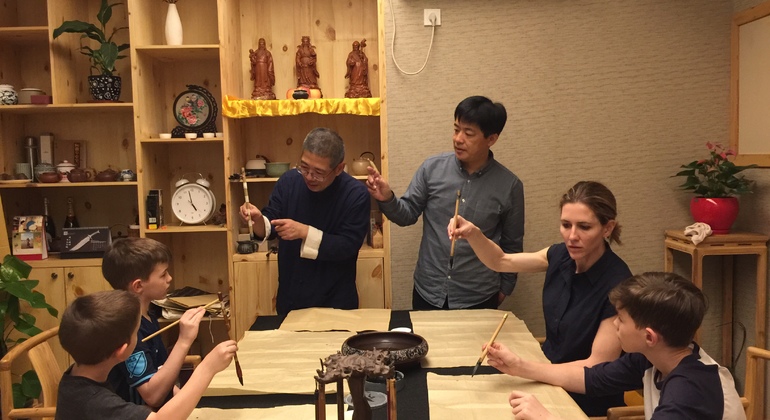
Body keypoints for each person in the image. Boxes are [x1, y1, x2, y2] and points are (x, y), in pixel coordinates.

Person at [450, 180, 630, 415]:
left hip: (584, 400)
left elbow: (596, 367)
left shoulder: (619, 285)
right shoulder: (560, 255)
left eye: (584, 227)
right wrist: (473, 233)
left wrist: (522, 367)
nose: (572, 236)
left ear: (607, 228)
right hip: (545, 379)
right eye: (566, 225)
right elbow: (501, 261)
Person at [492, 272, 745, 420]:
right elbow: (592, 378)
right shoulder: (655, 357)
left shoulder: (689, 392)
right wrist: (519, 366)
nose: (615, 325)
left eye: (621, 319)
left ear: (649, 336)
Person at [366, 95, 523, 310]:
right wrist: (387, 197)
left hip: (479, 294)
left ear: (491, 139)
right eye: (456, 129)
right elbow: (407, 214)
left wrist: (506, 287)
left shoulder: (510, 185)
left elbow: (512, 244)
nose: (458, 138)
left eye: (468, 133)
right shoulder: (432, 169)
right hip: (428, 290)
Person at [240, 127, 370, 315]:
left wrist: (304, 232)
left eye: (318, 172)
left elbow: (348, 246)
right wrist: (257, 219)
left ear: (339, 168)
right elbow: (270, 226)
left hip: (337, 301)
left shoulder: (355, 194)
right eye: (304, 167)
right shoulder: (289, 181)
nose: (309, 177)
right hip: (291, 296)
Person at [56, 290, 237, 420]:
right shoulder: (95, 401)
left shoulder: (79, 375)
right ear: (122, 350)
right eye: (137, 332)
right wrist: (207, 368)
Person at [103, 237, 206, 409]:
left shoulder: (147, 315)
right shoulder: (128, 332)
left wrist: (189, 403)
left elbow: (158, 373)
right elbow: (153, 395)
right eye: (163, 274)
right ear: (138, 286)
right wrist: (184, 341)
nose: (169, 278)